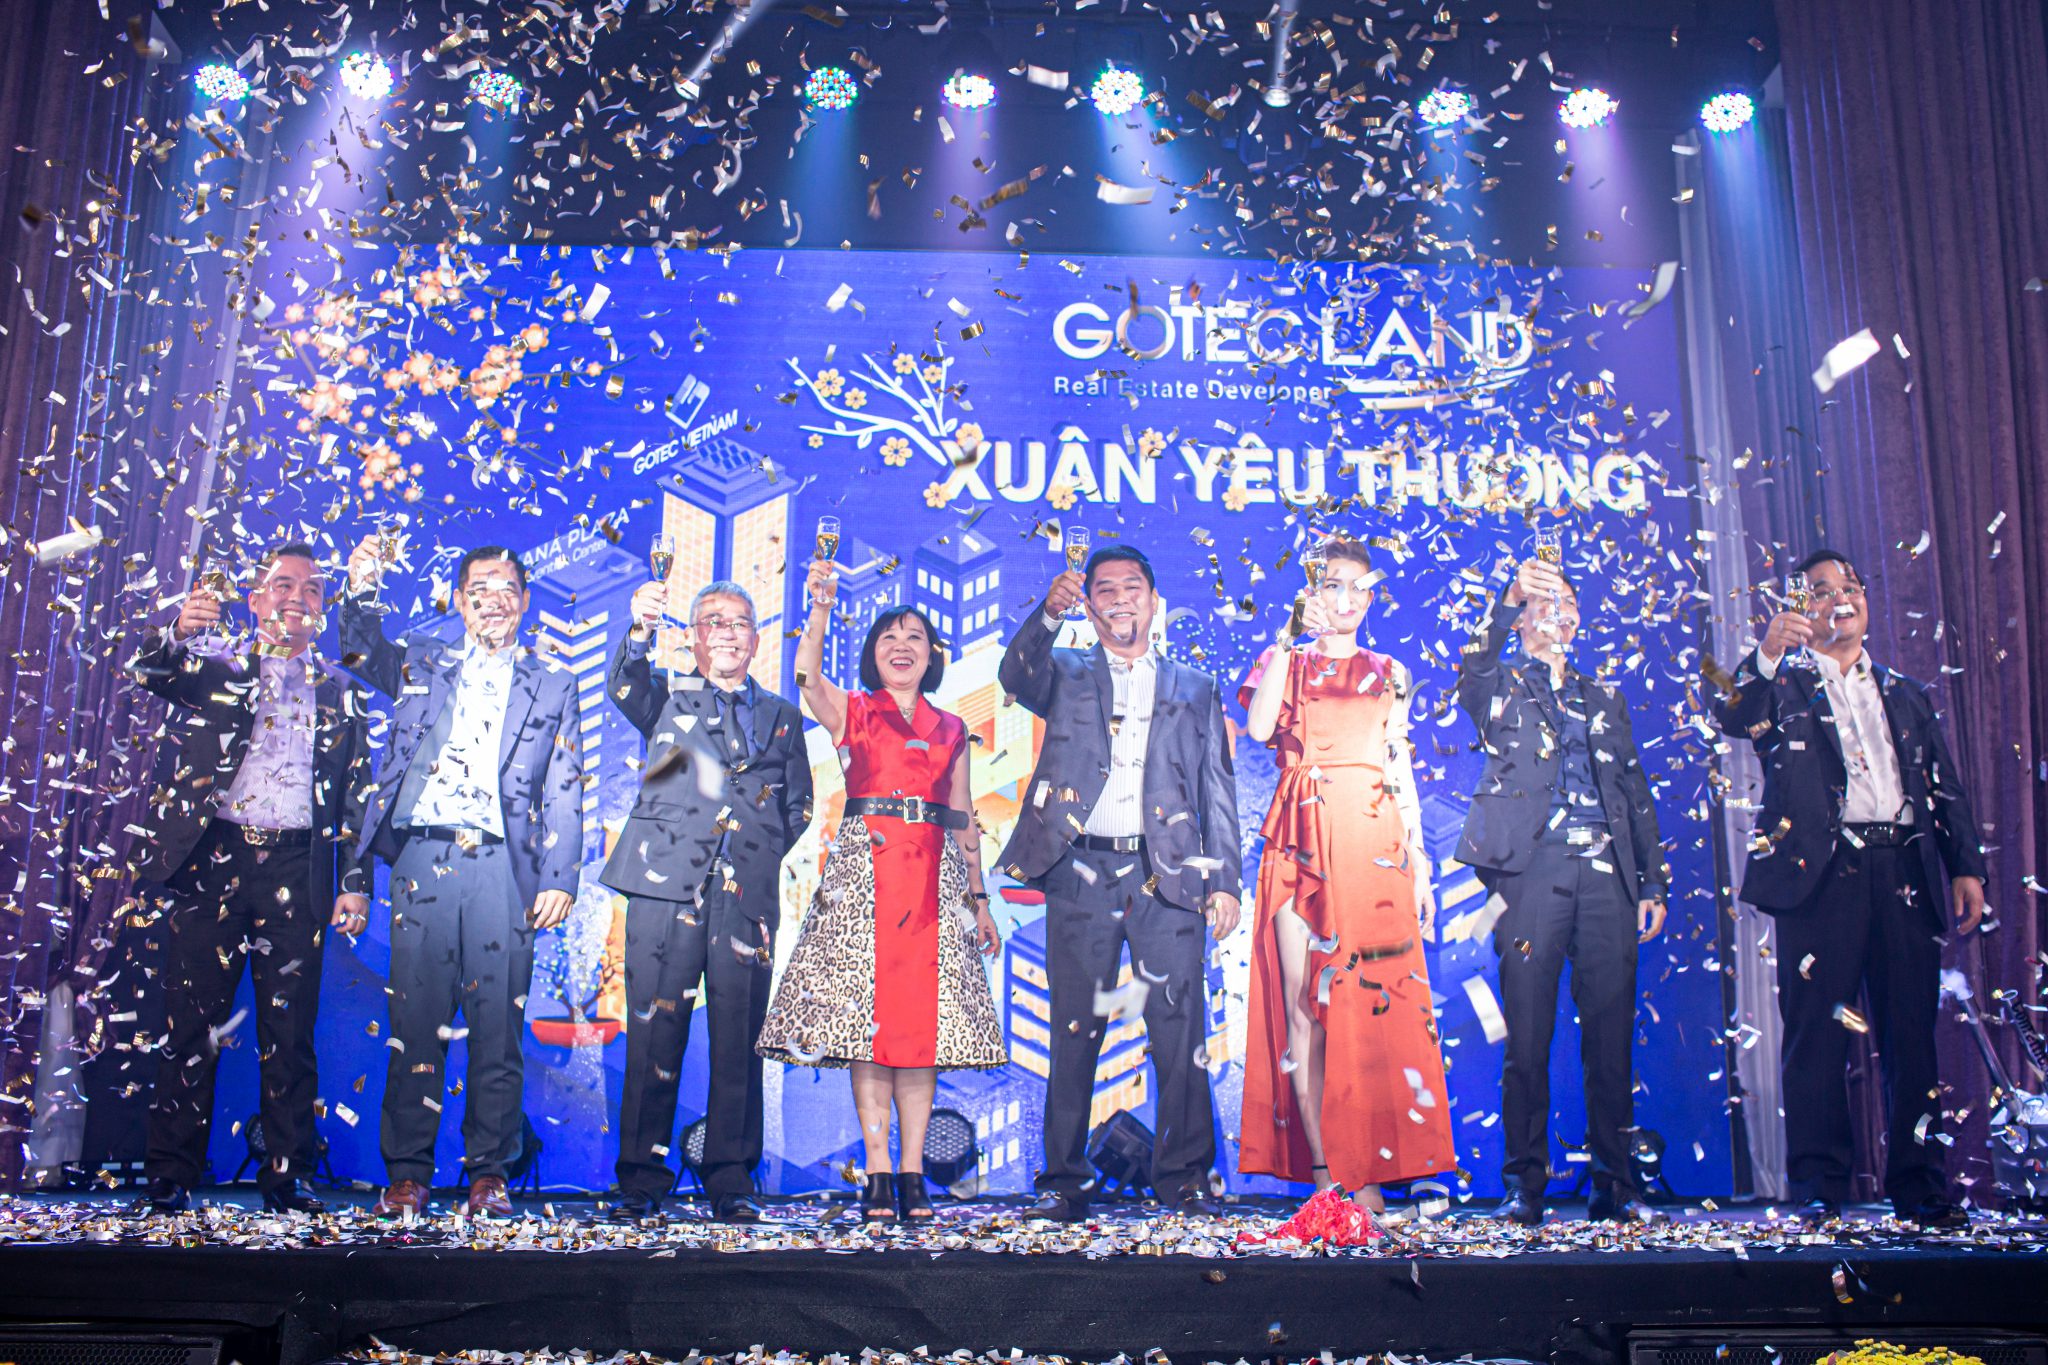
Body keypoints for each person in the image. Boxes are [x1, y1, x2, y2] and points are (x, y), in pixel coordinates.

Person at [1710, 549, 1986, 1228]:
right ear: (1801, 608)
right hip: (1822, 876)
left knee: (1911, 1035)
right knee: (1816, 1035)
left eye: (1851, 587)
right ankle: (1819, 1186)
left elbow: (1943, 784)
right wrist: (1765, 654)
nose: (1842, 597)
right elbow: (1730, 712)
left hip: (1902, 869)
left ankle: (1920, 1187)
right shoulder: (1783, 685)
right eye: (1822, 589)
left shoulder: (1906, 692)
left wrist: (1966, 865)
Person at [342, 535, 585, 1220]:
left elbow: (566, 782)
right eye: (481, 588)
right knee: (414, 1023)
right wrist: (362, 586)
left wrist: (560, 875)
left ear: (525, 602)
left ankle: (489, 1174)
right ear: (459, 600)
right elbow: (360, 648)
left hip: (503, 868)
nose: (494, 600)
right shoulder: (423, 659)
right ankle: (407, 1175)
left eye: (508, 589)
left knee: (497, 1027)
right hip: (423, 859)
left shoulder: (554, 681)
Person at [997, 544, 1241, 1222]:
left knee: (1179, 1031)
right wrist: (1048, 615)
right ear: (1090, 604)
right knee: (1073, 1030)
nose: (1119, 598)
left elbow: (1217, 789)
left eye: (1133, 586)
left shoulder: (1195, 686)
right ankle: (1063, 1181)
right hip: (1082, 872)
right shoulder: (1067, 671)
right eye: (1104, 588)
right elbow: (1014, 675)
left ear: (1154, 601)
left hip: (1170, 878)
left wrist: (1224, 880)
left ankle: (1184, 1178)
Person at [756, 563, 1004, 1224]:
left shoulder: (951, 727)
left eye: (915, 637)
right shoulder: (855, 710)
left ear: (932, 655)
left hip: (932, 881)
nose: (902, 645)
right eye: (890, 636)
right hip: (865, 878)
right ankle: (876, 1172)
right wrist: (819, 608)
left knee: (917, 1034)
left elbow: (963, 814)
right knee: (869, 1033)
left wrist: (979, 899)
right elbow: (805, 676)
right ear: (872, 653)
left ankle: (914, 1175)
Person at [127, 542, 370, 1215]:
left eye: (311, 589)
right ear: (257, 598)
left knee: (289, 1034)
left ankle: (287, 1177)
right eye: (282, 585)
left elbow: (355, 797)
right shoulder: (216, 664)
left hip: (298, 863)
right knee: (192, 1023)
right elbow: (149, 671)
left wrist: (354, 880)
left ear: (323, 608)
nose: (296, 597)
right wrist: (176, 630)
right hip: (217, 858)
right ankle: (169, 1174)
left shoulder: (341, 690)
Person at [1235, 538, 1451, 1215]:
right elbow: (1259, 727)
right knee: (1306, 1006)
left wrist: (1419, 864)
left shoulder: (1391, 671)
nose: (1348, 598)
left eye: (1360, 586)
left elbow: (1398, 765)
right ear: (1312, 590)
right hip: (1300, 834)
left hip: (1371, 838)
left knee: (1370, 1003)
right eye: (1334, 584)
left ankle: (1371, 1169)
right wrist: (1287, 639)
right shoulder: (1285, 658)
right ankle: (1331, 1178)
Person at [1456, 553, 1668, 1227]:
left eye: (1567, 601)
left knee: (1611, 1035)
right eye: (1543, 602)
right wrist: (1508, 593)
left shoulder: (1604, 696)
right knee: (1527, 1033)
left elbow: (1633, 789)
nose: (1558, 612)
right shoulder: (1499, 683)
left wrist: (1651, 880)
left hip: (1606, 874)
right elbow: (1474, 665)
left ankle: (1616, 1183)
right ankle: (1525, 1183)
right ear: (1522, 618)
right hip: (1532, 872)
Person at [604, 576, 812, 1224]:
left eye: (740, 622)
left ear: (757, 640)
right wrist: (639, 630)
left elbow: (798, 806)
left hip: (745, 898)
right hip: (663, 886)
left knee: (739, 1037)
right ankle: (641, 1179)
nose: (727, 632)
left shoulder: (783, 714)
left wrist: (752, 852)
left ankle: (731, 1176)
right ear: (693, 637)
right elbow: (624, 684)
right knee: (653, 1031)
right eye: (714, 621)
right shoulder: (666, 694)